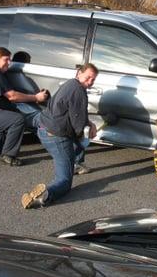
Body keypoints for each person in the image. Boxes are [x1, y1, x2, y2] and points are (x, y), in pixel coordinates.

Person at [21, 63, 99, 209]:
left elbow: (71, 111)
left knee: (76, 144)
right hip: (56, 137)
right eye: (88, 77)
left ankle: (74, 163)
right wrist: (85, 133)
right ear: (79, 73)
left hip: (44, 128)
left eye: (93, 80)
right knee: (64, 181)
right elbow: (78, 122)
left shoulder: (69, 84)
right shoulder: (79, 91)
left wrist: (89, 124)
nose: (90, 82)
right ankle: (44, 195)